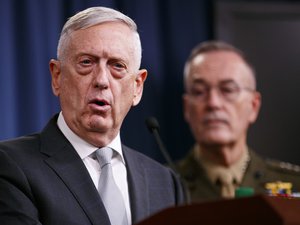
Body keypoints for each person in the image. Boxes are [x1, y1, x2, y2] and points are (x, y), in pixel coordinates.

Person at [0, 7, 185, 225]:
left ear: (137, 87)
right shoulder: (11, 165)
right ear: (57, 76)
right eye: (86, 62)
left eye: (117, 66)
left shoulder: (165, 183)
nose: (102, 80)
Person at [176, 40, 300, 202]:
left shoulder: (293, 185)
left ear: (253, 106)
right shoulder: (161, 185)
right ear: (187, 108)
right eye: (199, 92)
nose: (213, 103)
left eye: (228, 90)